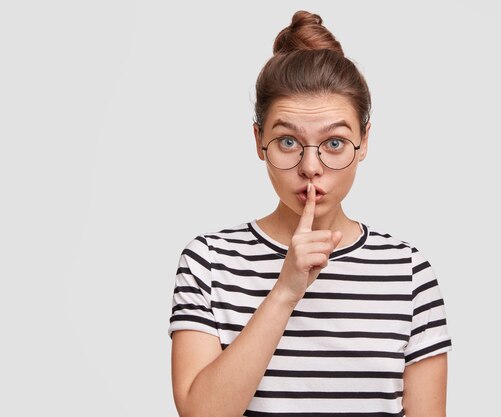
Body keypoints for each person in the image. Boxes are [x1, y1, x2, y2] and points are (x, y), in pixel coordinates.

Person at [168, 10, 452, 417]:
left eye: (335, 143)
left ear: (364, 140)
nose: (311, 166)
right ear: (258, 140)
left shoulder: (408, 272)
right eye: (288, 141)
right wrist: (285, 291)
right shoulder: (209, 262)